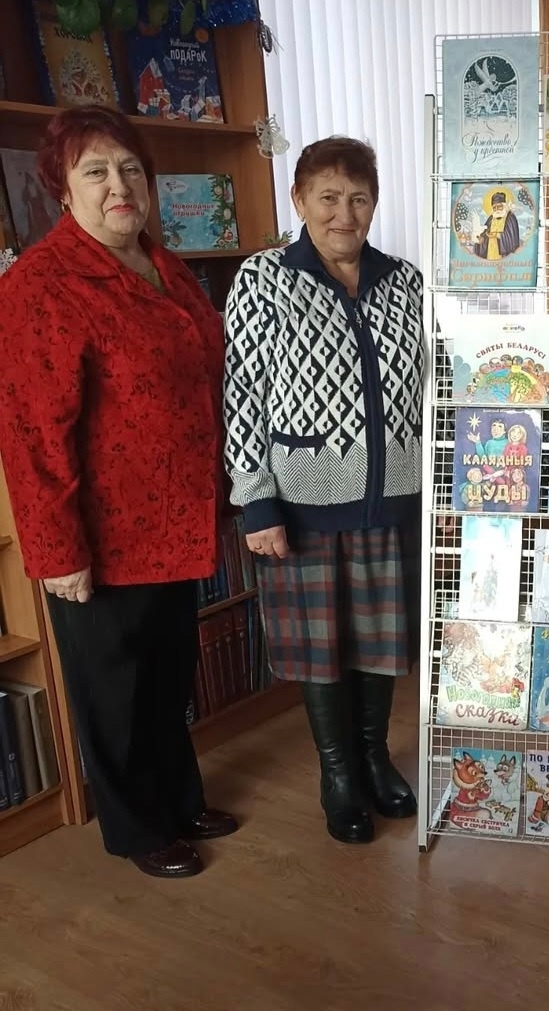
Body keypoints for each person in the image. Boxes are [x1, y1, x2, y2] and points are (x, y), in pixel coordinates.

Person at [0, 105, 238, 879]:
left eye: (131, 168)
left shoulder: (164, 265)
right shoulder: (42, 284)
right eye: (96, 171)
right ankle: (138, 828)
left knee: (167, 678)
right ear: (62, 188)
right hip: (101, 537)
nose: (119, 185)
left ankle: (179, 799)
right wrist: (57, 550)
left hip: (175, 522)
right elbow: (32, 434)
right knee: (115, 691)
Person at [223, 136, 424, 844]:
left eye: (359, 198)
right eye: (329, 197)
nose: (345, 214)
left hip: (392, 497)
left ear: (376, 202)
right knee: (322, 648)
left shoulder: (407, 283)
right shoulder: (262, 279)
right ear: (300, 200)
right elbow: (241, 395)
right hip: (301, 503)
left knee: (378, 642)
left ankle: (374, 757)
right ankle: (337, 772)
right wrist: (257, 500)